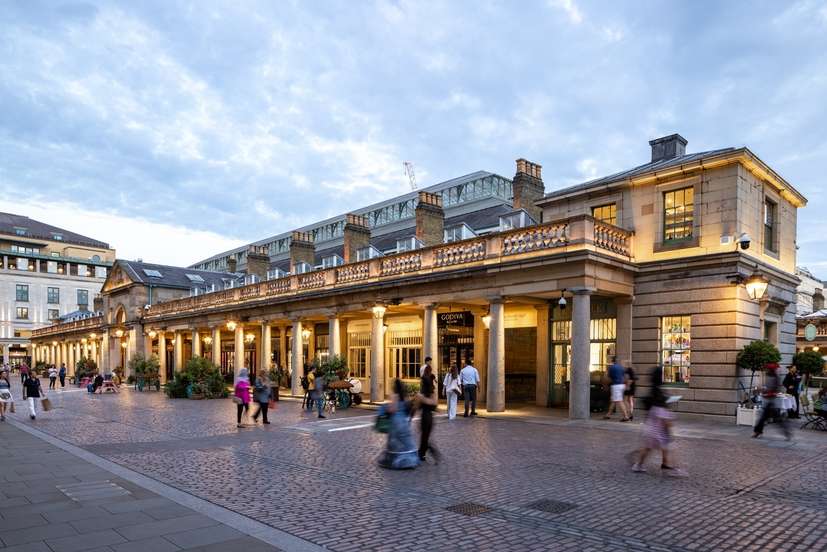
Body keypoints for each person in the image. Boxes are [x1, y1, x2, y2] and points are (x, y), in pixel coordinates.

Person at [631, 367, 687, 476]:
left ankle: (662, 464)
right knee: (656, 446)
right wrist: (669, 428)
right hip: (656, 429)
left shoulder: (654, 391)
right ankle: (639, 465)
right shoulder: (659, 398)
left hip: (653, 427)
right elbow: (664, 418)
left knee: (657, 447)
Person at [377, 378, 420, 470]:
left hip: (396, 421)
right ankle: (410, 460)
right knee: (406, 442)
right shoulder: (404, 396)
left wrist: (385, 408)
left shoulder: (394, 395)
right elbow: (409, 408)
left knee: (392, 442)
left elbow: (393, 409)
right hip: (404, 421)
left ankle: (393, 460)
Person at [753, 363, 791, 440]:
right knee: (766, 418)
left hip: (770, 402)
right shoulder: (772, 377)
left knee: (769, 418)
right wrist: (764, 390)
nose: (767, 370)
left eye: (768, 369)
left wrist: (764, 391)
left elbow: (773, 389)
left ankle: (758, 432)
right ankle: (758, 431)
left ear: (770, 370)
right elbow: (771, 388)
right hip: (769, 401)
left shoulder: (774, 377)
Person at [418, 365, 440, 463]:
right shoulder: (428, 386)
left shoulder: (429, 387)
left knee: (425, 436)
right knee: (424, 436)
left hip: (426, 415)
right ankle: (421, 454)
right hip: (427, 415)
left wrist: (421, 399)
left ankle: (430, 452)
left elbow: (433, 402)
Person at [604, 357, 630, 421]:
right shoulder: (621, 367)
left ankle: (625, 416)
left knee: (619, 401)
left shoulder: (611, 368)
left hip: (616, 386)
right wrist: (627, 385)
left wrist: (606, 385)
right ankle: (608, 414)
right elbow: (626, 376)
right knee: (613, 400)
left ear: (612, 361)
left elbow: (607, 377)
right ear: (618, 361)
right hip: (622, 385)